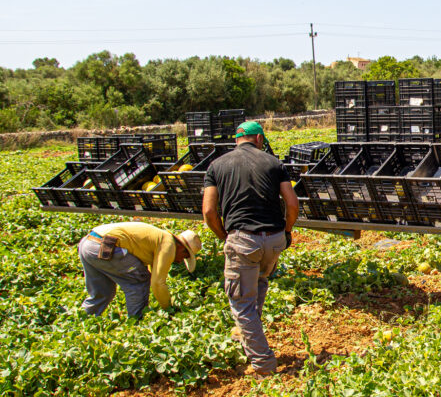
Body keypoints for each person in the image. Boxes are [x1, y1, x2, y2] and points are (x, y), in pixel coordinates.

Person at [202, 120, 299, 376]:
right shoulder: (274, 163)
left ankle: (263, 364)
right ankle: (248, 338)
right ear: (258, 139)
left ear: (237, 139)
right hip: (274, 239)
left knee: (241, 302)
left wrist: (224, 236)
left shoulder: (216, 166)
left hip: (243, 239)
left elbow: (209, 211)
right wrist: (287, 232)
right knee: (259, 283)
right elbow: (292, 205)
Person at [78, 222, 201, 318]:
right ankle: (136, 322)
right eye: (184, 256)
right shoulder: (169, 244)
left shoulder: (160, 237)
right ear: (181, 248)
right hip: (106, 246)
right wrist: (169, 309)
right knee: (139, 282)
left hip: (88, 243)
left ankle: (83, 320)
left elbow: (155, 275)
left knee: (104, 292)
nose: (180, 261)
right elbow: (157, 283)